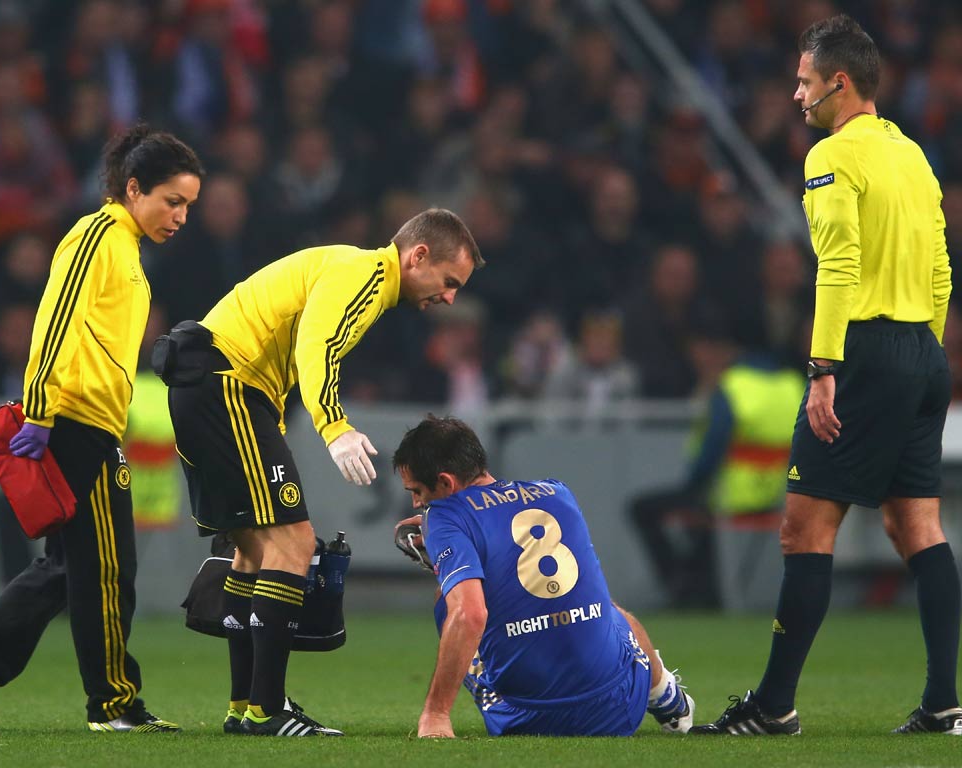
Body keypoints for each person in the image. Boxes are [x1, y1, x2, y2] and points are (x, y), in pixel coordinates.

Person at [693, 15, 960, 736]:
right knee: (918, 525)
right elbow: (940, 270)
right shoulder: (914, 157)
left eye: (805, 81)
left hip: (865, 353)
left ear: (840, 84)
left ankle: (774, 707)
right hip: (922, 352)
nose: (795, 95)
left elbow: (837, 265)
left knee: (803, 530)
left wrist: (824, 369)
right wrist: (925, 358)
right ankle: (943, 703)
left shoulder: (831, 157)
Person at [165, 208, 483, 736]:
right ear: (418, 255)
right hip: (229, 387)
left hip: (209, 385)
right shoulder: (367, 274)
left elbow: (298, 340)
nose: (449, 297)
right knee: (295, 542)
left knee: (252, 550)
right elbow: (319, 343)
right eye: (449, 281)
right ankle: (269, 709)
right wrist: (334, 427)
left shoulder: (347, 267)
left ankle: (246, 707)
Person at [0, 123, 204, 732]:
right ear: (133, 189)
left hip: (89, 422)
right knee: (107, 569)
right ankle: (113, 705)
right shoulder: (97, 235)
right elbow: (55, 319)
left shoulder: (126, 249)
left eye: (188, 204)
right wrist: (37, 408)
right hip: (74, 421)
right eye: (173, 201)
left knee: (69, 567)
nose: (182, 216)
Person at [391, 415, 695, 738]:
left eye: (418, 491)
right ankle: (668, 700)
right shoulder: (557, 492)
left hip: (530, 721)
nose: (416, 502)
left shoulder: (442, 516)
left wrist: (436, 714)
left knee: (449, 604)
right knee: (612, 612)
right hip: (619, 710)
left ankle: (439, 714)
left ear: (446, 483)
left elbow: (470, 614)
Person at [629, 337, 804, 610]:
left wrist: (694, 483)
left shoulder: (733, 386)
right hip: (775, 497)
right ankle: (694, 587)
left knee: (642, 508)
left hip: (728, 495)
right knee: (696, 520)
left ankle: (682, 586)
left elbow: (711, 451)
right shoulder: (793, 386)